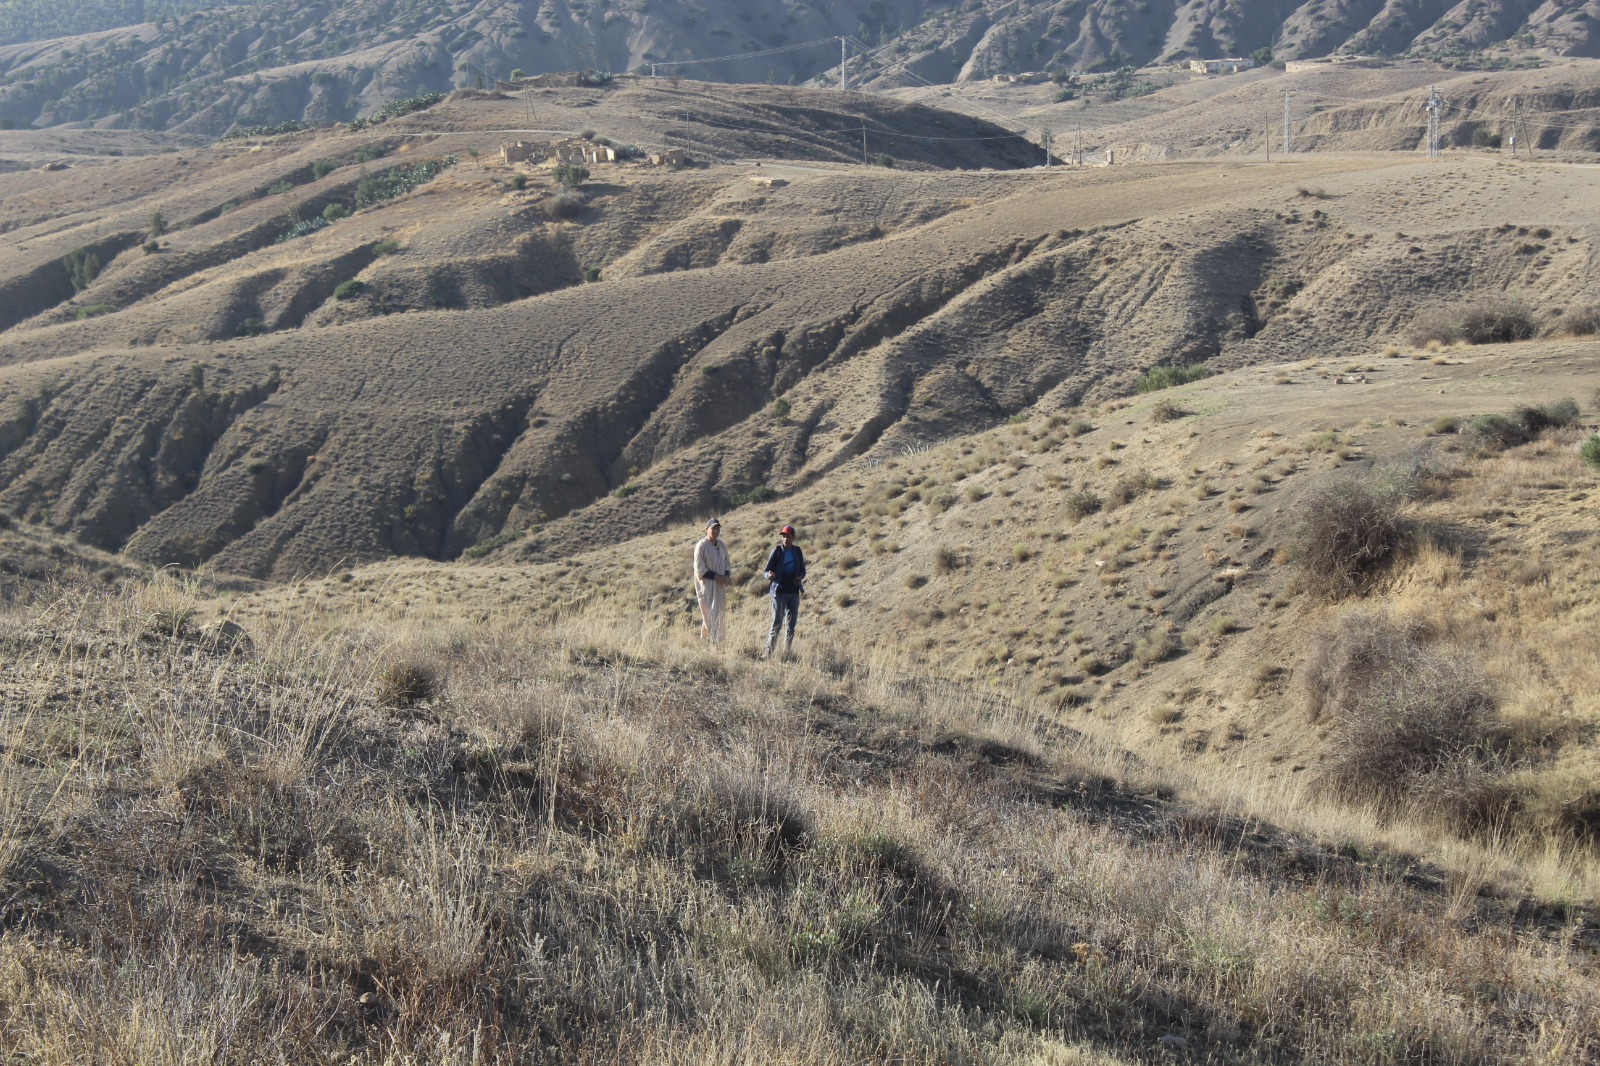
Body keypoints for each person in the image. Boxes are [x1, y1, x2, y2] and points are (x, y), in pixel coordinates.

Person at [763, 524, 806, 660]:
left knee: (791, 626)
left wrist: (800, 577)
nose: (785, 539)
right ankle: (768, 654)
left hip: (794, 592)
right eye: (783, 537)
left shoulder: (797, 551)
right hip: (779, 592)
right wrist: (769, 575)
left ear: (793, 537)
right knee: (777, 624)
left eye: (788, 537)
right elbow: (766, 571)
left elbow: (803, 570)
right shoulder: (777, 551)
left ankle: (786, 654)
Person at [692, 518, 731, 645]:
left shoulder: (722, 545)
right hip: (707, 587)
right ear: (706, 530)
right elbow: (700, 569)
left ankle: (707, 643)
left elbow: (727, 564)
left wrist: (726, 576)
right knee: (709, 615)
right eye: (713, 528)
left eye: (717, 528)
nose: (715, 531)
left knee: (718, 615)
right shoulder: (702, 546)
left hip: (720, 587)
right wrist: (718, 577)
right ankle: (715, 645)